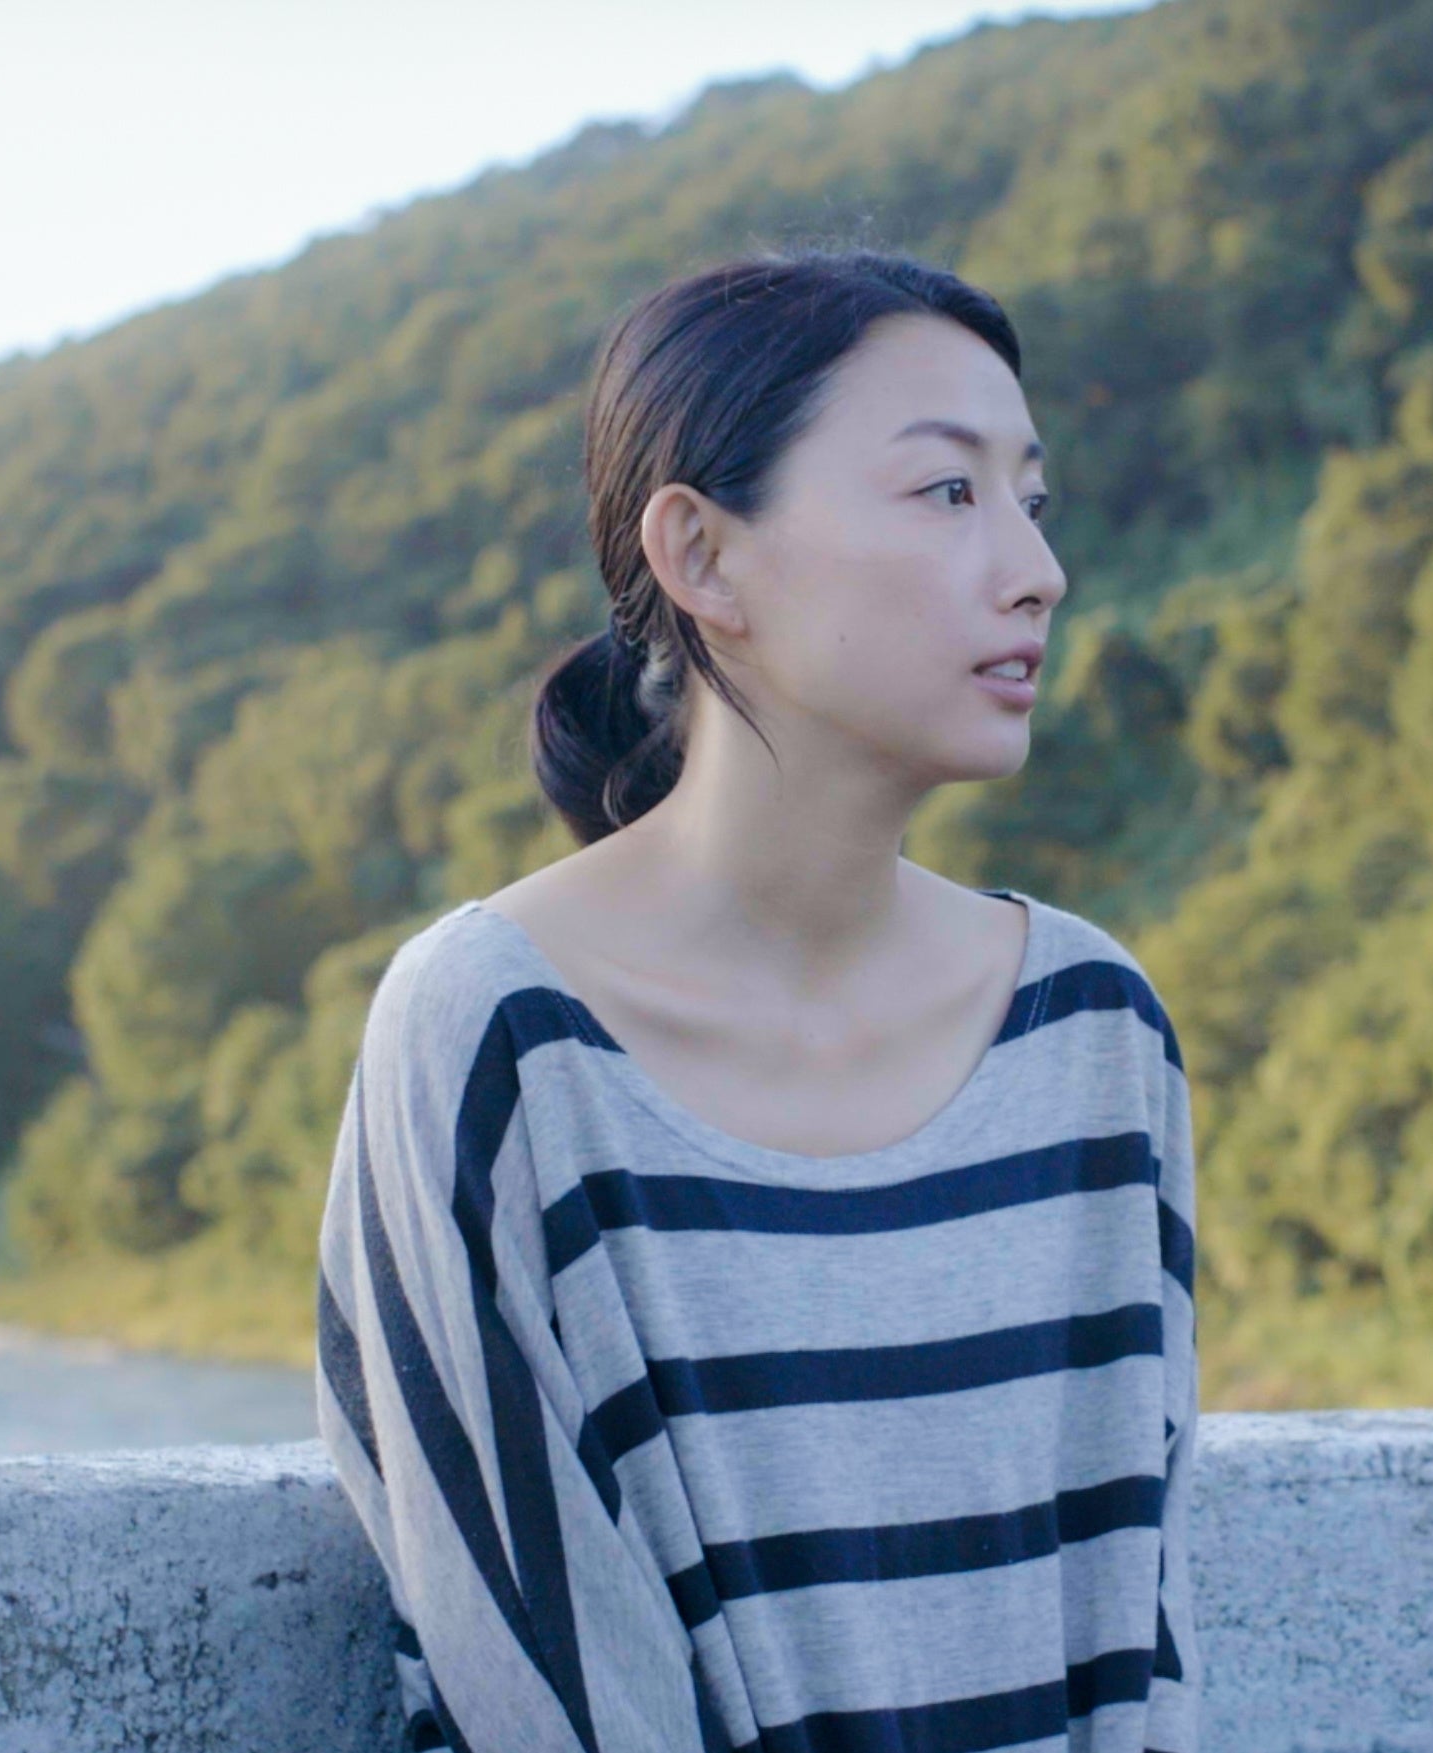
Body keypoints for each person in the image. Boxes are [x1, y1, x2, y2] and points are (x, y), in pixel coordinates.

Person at [312, 247, 1201, 1753]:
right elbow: (530, 1688)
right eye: (948, 491)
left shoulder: (1090, 1028)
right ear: (703, 557)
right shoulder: (503, 1030)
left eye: (1032, 501)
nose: (1036, 570)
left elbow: (1138, 1624)